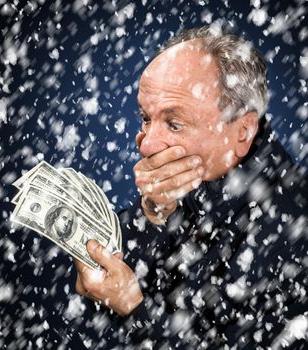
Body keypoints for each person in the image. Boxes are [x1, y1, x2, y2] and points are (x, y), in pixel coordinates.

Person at [74, 26, 308, 349]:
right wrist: (152, 217)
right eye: (146, 118)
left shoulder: (295, 232)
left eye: (174, 123)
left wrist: (133, 310)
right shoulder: (193, 191)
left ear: (242, 131)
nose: (147, 144)